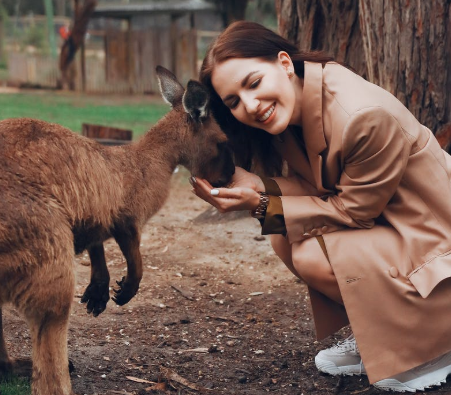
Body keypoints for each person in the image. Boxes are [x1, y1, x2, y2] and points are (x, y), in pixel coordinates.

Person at [190, 20, 451, 392]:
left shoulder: (361, 116)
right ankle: (384, 335)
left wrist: (262, 203)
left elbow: (352, 213)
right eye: (234, 101)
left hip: (435, 243)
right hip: (396, 228)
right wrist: (259, 186)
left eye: (253, 83)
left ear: (283, 63)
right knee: (284, 237)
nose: (250, 105)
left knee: (309, 251)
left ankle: (433, 346)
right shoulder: (298, 105)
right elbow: (323, 186)